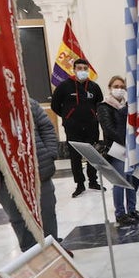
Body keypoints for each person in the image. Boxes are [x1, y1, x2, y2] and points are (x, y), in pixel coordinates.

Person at [0, 98, 59, 251]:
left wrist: (50, 154)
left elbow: (47, 127)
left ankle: (54, 253)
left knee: (47, 214)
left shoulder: (29, 103)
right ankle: (31, 256)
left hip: (38, 172)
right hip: (5, 178)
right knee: (18, 220)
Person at [51, 58, 102, 197]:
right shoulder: (64, 86)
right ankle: (80, 184)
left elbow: (99, 104)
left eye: (85, 69)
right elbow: (54, 105)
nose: (82, 71)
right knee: (75, 157)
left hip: (91, 127)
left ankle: (93, 181)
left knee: (92, 154)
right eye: (79, 68)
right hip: (73, 128)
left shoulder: (94, 87)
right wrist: (67, 116)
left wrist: (94, 116)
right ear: (74, 70)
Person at [97, 75, 139, 225]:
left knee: (131, 179)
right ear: (110, 88)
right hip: (115, 149)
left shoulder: (127, 106)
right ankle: (120, 213)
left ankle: (132, 209)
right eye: (116, 86)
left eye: (122, 87)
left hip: (129, 148)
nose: (120, 89)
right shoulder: (104, 106)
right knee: (120, 180)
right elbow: (108, 129)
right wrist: (124, 141)